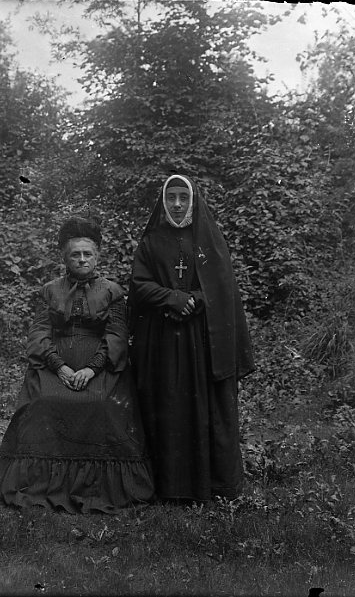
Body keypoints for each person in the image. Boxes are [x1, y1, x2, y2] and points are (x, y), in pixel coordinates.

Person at [0, 216, 155, 514]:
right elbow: (39, 333)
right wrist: (60, 367)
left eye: (87, 254)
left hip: (101, 366)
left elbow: (117, 335)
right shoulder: (50, 290)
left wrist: (92, 368)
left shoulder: (112, 291)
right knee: (43, 401)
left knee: (103, 404)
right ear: (64, 258)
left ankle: (100, 486)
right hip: (58, 364)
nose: (81, 259)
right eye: (75, 254)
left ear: (97, 256)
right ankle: (44, 484)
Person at [128, 174, 254, 503]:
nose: (178, 203)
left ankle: (213, 483)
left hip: (203, 339)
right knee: (167, 404)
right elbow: (139, 284)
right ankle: (170, 485)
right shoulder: (151, 242)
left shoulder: (209, 240)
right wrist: (172, 298)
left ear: (194, 200)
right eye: (171, 197)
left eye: (184, 197)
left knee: (205, 405)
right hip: (163, 339)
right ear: (163, 201)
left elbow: (222, 287)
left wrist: (195, 299)